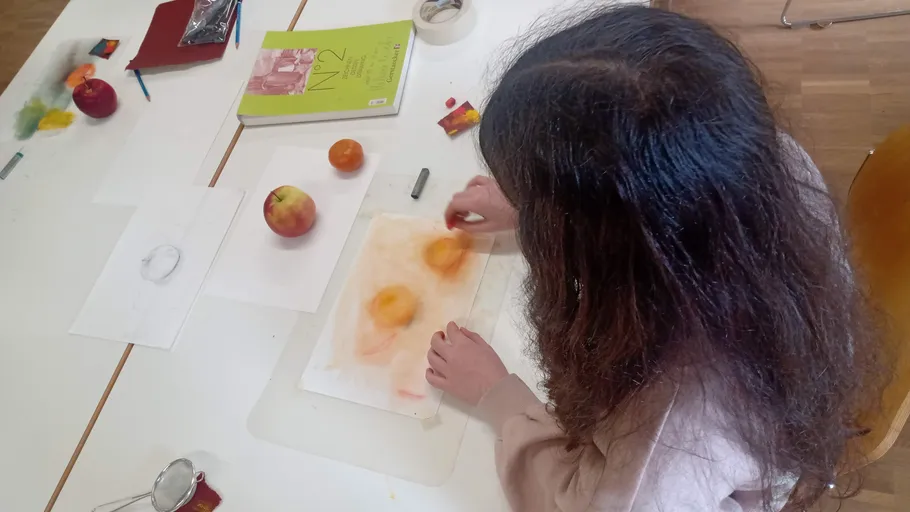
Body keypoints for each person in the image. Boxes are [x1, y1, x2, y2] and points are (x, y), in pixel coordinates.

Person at [424, 6, 884, 512]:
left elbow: (594, 502)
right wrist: (542, 205)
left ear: (606, 247)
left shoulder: (667, 435)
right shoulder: (756, 164)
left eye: (536, 206)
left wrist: (501, 400)